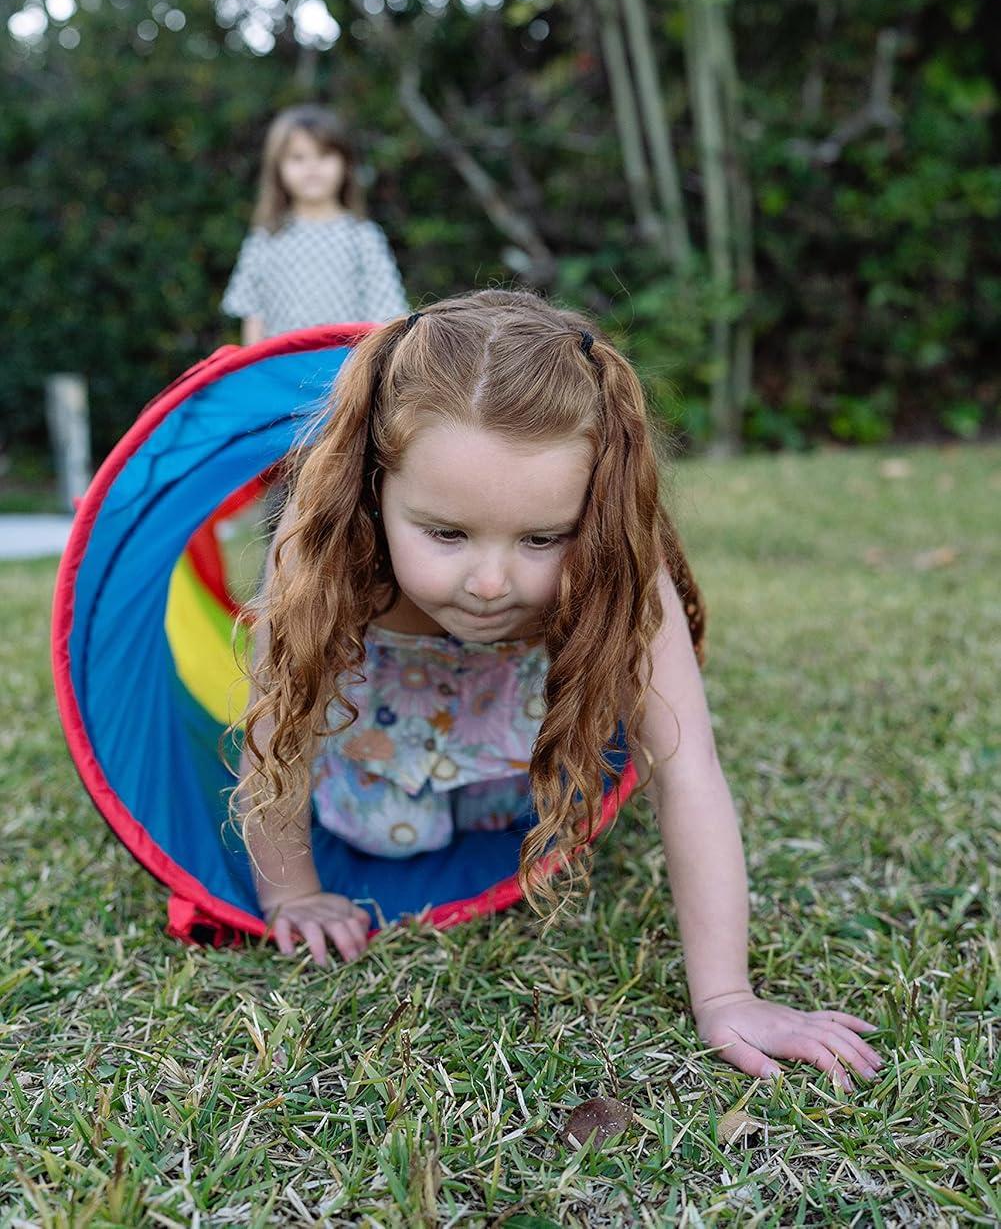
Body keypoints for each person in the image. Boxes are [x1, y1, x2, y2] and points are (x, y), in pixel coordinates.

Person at [237, 289, 884, 1088]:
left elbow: (687, 769)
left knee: (556, 796)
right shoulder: (323, 553)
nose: (487, 581)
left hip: (527, 780)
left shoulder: (615, 564)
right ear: (373, 485)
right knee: (385, 833)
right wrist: (292, 894)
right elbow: (280, 730)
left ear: (597, 510)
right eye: (445, 533)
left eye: (543, 538)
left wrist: (726, 995)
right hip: (378, 780)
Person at [221, 103, 409, 342]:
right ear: (278, 168)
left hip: (345, 369)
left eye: (324, 155)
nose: (312, 167)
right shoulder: (266, 237)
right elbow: (254, 317)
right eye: (298, 157)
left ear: (345, 163)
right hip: (282, 370)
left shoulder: (362, 236)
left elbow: (386, 316)